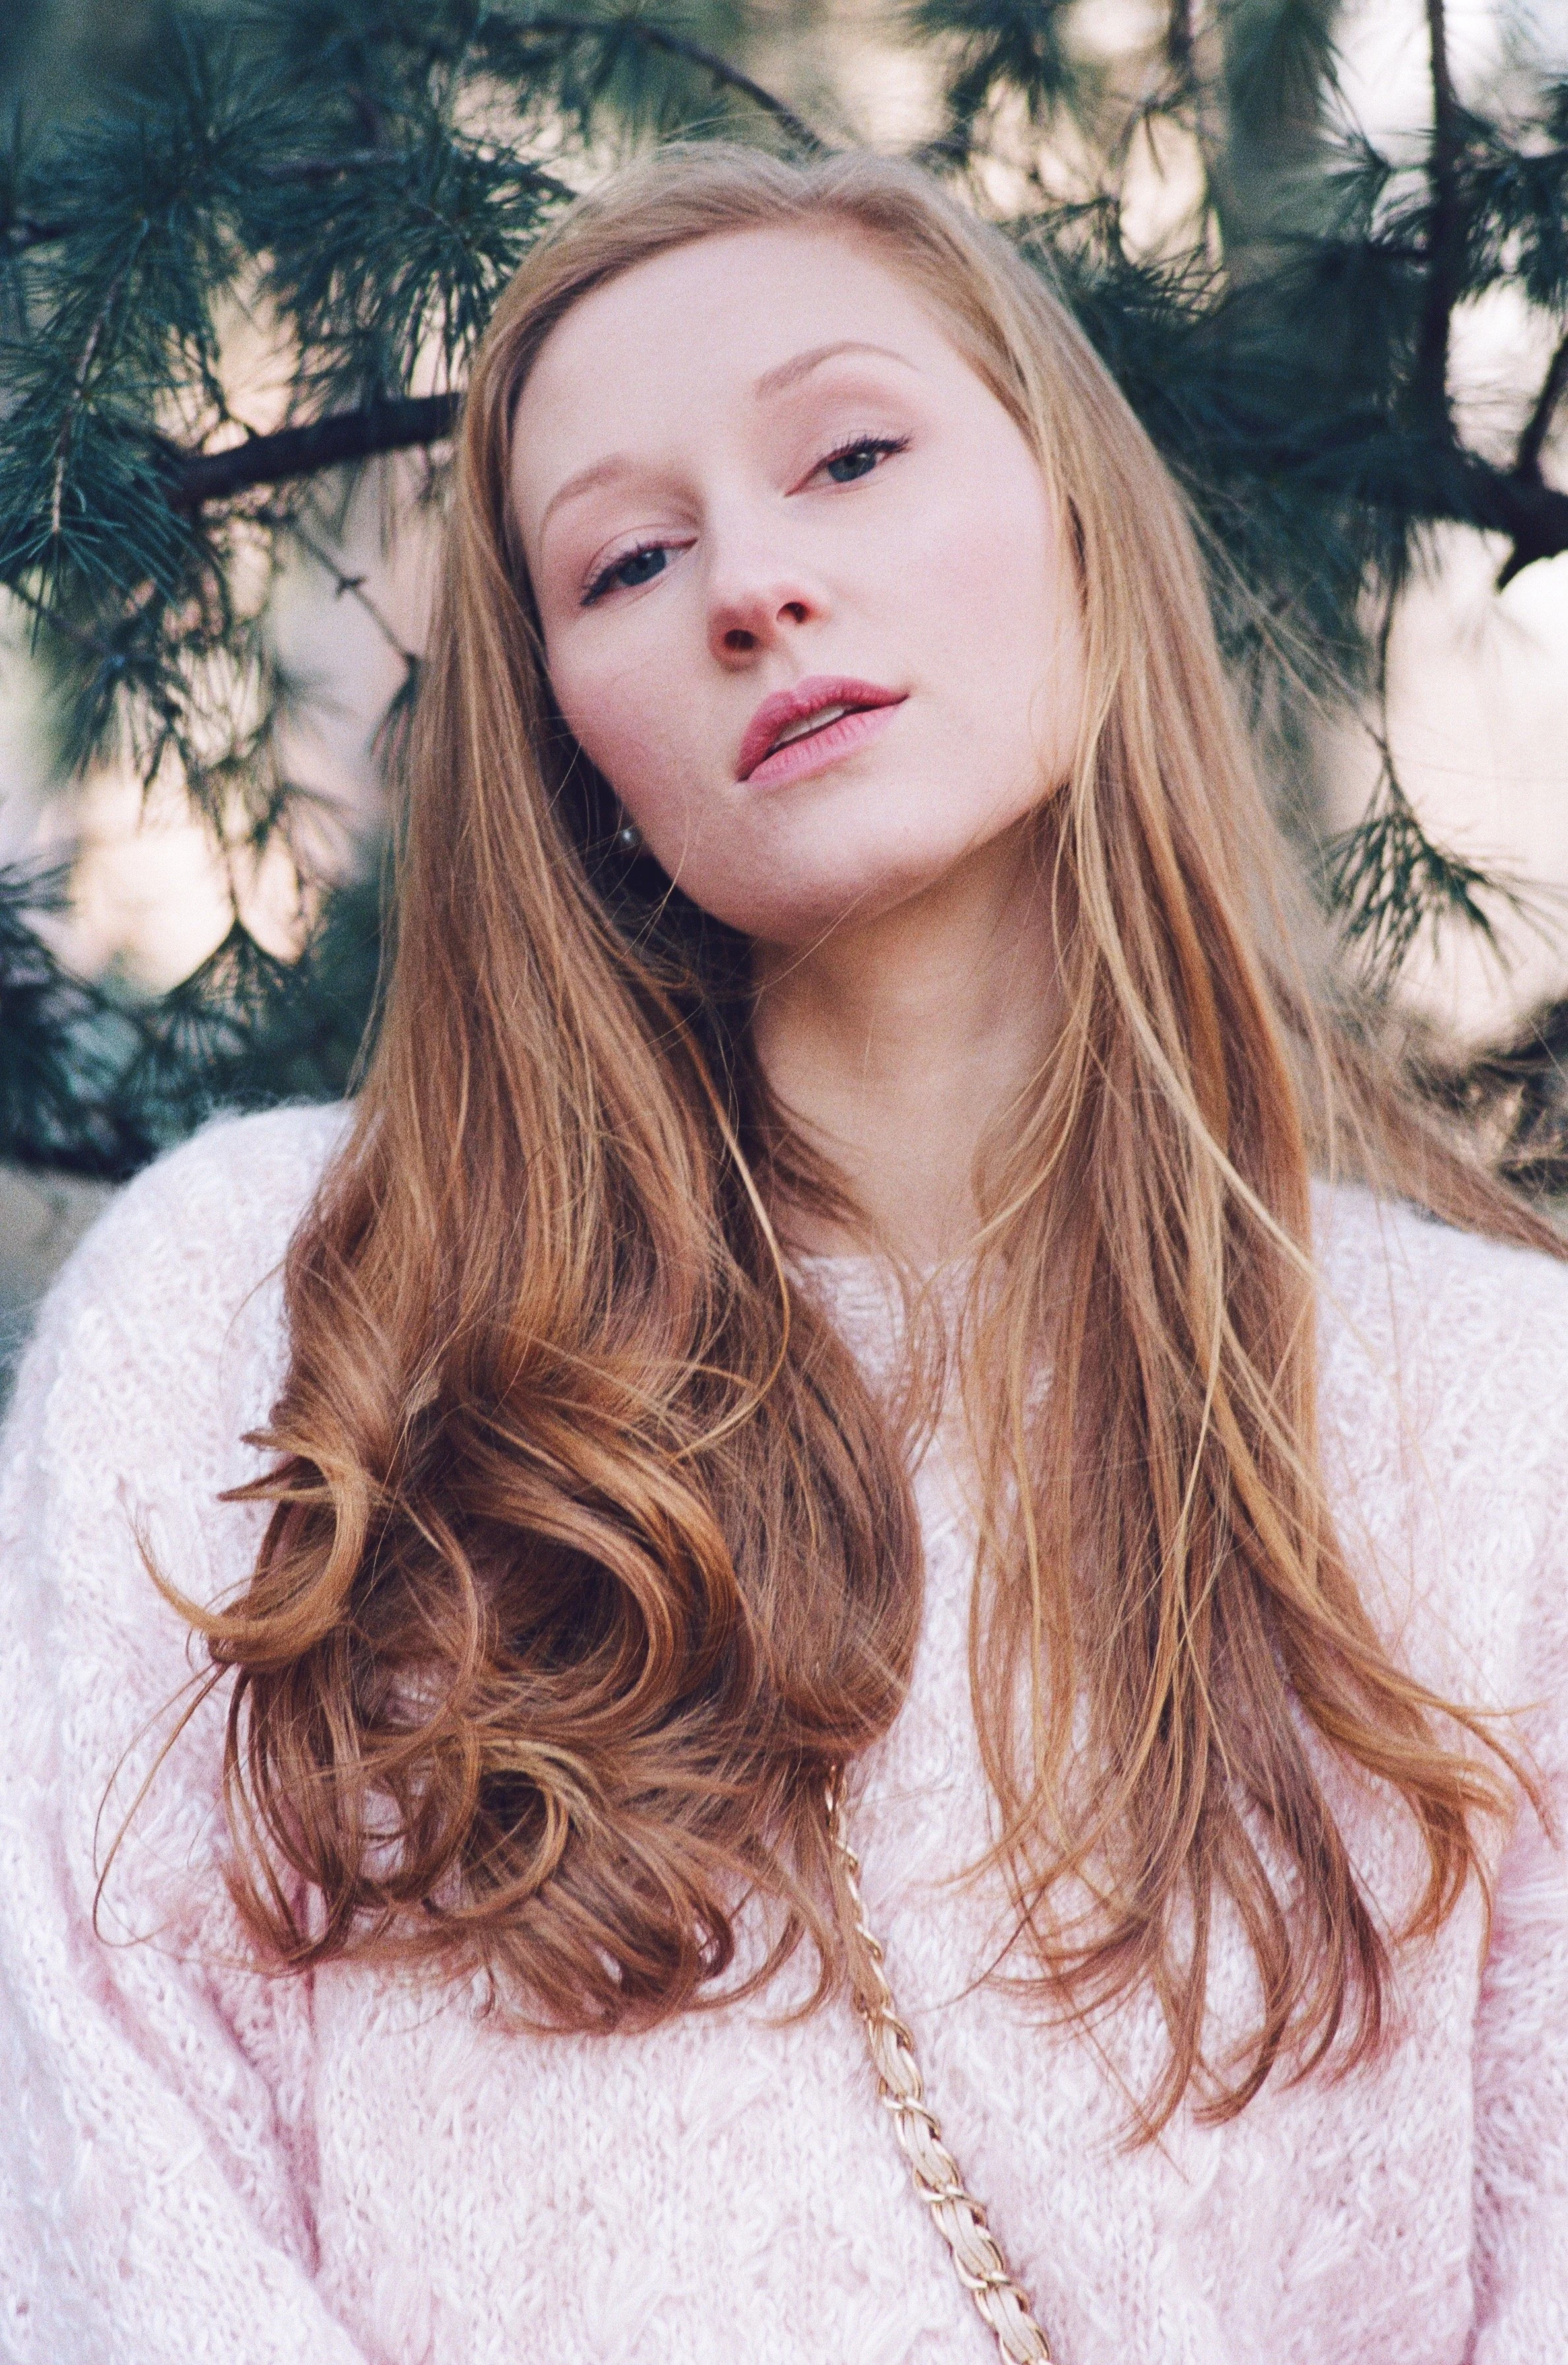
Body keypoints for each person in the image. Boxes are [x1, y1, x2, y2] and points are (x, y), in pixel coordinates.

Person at [1, 142, 1564, 2365]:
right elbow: (109, 2201)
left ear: (1081, 526)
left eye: (847, 452)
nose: (750, 582)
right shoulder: (271, 1314)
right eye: (626, 559)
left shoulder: (1494, 1419)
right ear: (568, 737)